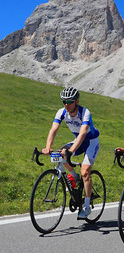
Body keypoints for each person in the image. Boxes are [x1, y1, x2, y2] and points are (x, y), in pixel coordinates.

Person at [42, 87, 100, 219]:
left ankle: (86, 206)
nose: (66, 104)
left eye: (70, 101)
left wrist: (71, 151)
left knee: (85, 172)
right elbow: (54, 129)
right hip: (77, 140)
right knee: (60, 155)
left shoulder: (85, 112)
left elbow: (83, 133)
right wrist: (47, 147)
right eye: (64, 101)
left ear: (77, 101)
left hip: (91, 142)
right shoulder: (61, 112)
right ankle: (74, 176)